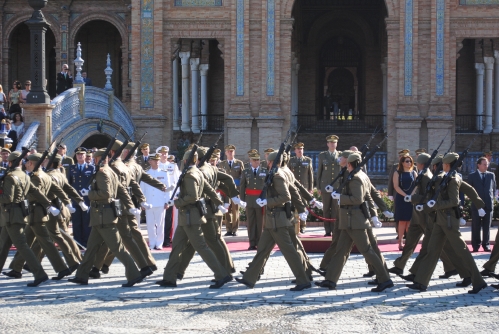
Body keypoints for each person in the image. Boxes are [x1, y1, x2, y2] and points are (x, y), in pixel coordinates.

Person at [407, 152, 488, 294]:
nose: (442, 165)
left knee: (462, 251)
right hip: (441, 220)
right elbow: (469, 189)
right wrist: (479, 203)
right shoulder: (447, 177)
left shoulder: (453, 179)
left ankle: (478, 281)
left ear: (448, 164)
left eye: (444, 163)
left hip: (450, 221)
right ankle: (421, 282)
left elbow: (454, 201)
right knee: (432, 250)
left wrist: (434, 205)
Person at [315, 153, 393, 292]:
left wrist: (340, 197)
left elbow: (358, 199)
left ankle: (385, 279)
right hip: (348, 220)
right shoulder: (357, 175)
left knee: (367, 251)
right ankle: (330, 280)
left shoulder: (356, 178)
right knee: (341, 251)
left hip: (355, 221)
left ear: (350, 164)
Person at [236, 151, 312, 291]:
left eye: (267, 161)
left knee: (289, 251)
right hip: (273, 221)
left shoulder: (277, 176)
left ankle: (303, 280)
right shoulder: (276, 173)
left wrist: (267, 201)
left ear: (271, 162)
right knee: (263, 250)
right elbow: (294, 190)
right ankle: (249, 278)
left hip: (278, 220)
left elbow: (286, 196)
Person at [156, 149, 232, 289]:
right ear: (195, 160)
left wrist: (176, 203)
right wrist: (219, 204)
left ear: (185, 161)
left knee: (201, 247)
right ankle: (169, 278)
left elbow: (193, 196)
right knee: (177, 246)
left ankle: (222, 275)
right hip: (187, 217)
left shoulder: (190, 175)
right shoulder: (197, 172)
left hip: (191, 217)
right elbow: (209, 190)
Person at [68, 148, 143, 287]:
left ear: (97, 159)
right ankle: (81, 275)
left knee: (118, 248)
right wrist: (131, 205)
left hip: (103, 216)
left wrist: (89, 194)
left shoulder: (102, 173)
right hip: (100, 217)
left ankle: (134, 274)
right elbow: (122, 191)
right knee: (91, 248)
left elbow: (106, 194)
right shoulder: (111, 172)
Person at [0, 151, 58, 287]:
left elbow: (8, 198)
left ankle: (40, 273)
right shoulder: (24, 176)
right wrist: (48, 205)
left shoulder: (10, 177)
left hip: (11, 215)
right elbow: (36, 192)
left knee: (22, 246)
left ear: (9, 162)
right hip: (17, 214)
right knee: (3, 245)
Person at [141, 153, 170, 250]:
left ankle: (159, 243)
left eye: (158, 160)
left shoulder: (164, 173)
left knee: (160, 224)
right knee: (150, 224)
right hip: (149, 202)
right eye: (155, 160)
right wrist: (142, 202)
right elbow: (142, 189)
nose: (157, 162)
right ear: (150, 161)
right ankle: (152, 242)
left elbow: (168, 189)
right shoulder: (146, 173)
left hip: (160, 201)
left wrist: (167, 202)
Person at [467, 157, 496, 252]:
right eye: (484, 164)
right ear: (478, 165)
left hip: (488, 204)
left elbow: (493, 188)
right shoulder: (472, 176)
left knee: (487, 226)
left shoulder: (491, 175)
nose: (486, 166)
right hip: (476, 205)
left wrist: (492, 199)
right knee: (476, 226)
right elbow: (469, 191)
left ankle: (486, 245)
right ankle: (476, 245)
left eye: (487, 164)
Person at [68, 147, 95, 247]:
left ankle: (87, 242)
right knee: (76, 222)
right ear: (76, 156)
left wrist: (89, 192)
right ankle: (77, 242)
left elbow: (93, 183)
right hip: (75, 200)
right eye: (78, 154)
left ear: (85, 156)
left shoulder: (91, 168)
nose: (80, 156)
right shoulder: (72, 168)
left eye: (82, 154)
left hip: (87, 199)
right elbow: (69, 184)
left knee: (87, 222)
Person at [240, 153, 267, 250]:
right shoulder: (246, 172)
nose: (256, 162)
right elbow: (242, 186)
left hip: (260, 200)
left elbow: (266, 187)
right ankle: (252, 243)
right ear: (250, 161)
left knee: (260, 223)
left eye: (258, 160)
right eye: (254, 160)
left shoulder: (264, 171)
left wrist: (265, 199)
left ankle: (259, 242)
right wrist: (242, 200)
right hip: (249, 200)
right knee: (251, 222)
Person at [317, 134, 341, 236]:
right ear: (327, 144)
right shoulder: (322, 155)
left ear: (336, 144)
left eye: (334, 142)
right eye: (330, 142)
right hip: (325, 186)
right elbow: (319, 172)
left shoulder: (341, 155)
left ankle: (335, 229)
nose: (332, 144)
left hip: (336, 186)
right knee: (326, 209)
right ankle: (327, 230)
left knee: (336, 209)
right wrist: (318, 187)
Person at [218, 144, 244, 236]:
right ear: (225, 153)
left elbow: (242, 177)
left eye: (232, 151)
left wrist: (241, 190)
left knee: (235, 210)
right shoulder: (221, 164)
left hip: (236, 190)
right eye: (228, 151)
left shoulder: (239, 163)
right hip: (225, 190)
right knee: (227, 210)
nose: (230, 152)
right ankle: (228, 229)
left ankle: (235, 229)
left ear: (234, 152)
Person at [288, 142, 314, 233]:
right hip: (293, 187)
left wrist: (310, 188)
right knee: (292, 205)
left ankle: (303, 225)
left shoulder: (308, 160)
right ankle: (292, 224)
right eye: (298, 149)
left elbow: (310, 175)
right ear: (295, 150)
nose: (300, 151)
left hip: (304, 187)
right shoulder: (291, 161)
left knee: (303, 205)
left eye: (301, 149)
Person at [393, 155, 417, 250]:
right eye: (407, 161)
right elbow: (396, 186)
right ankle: (400, 243)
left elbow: (416, 185)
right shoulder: (397, 173)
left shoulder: (414, 172)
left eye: (410, 161)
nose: (409, 163)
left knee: (409, 221)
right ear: (402, 162)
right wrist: (405, 195)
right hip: (401, 199)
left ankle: (409, 242)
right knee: (402, 221)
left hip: (411, 198)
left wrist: (411, 195)